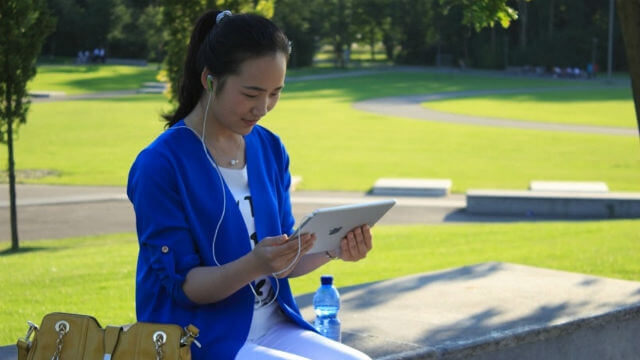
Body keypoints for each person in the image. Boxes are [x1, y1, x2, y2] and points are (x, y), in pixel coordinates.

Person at [127, 9, 373, 360]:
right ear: (210, 80)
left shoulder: (269, 148)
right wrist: (255, 264)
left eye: (275, 93)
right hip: (197, 338)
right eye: (252, 93)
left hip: (274, 325)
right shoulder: (160, 165)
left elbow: (283, 260)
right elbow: (186, 287)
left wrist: (334, 248)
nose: (264, 107)